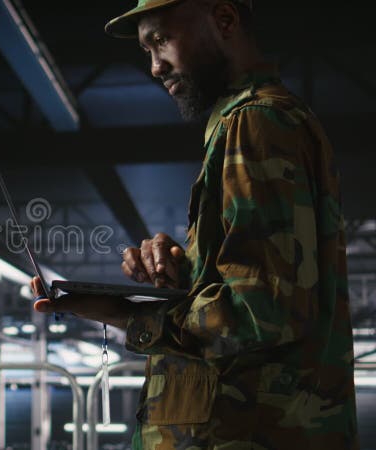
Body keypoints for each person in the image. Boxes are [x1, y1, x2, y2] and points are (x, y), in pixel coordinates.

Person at [32, 1, 358, 448]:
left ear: (223, 20)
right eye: (146, 50)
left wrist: (128, 314)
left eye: (161, 41)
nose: (154, 66)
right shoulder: (247, 122)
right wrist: (184, 273)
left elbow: (263, 310)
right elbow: (269, 284)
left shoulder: (254, 122)